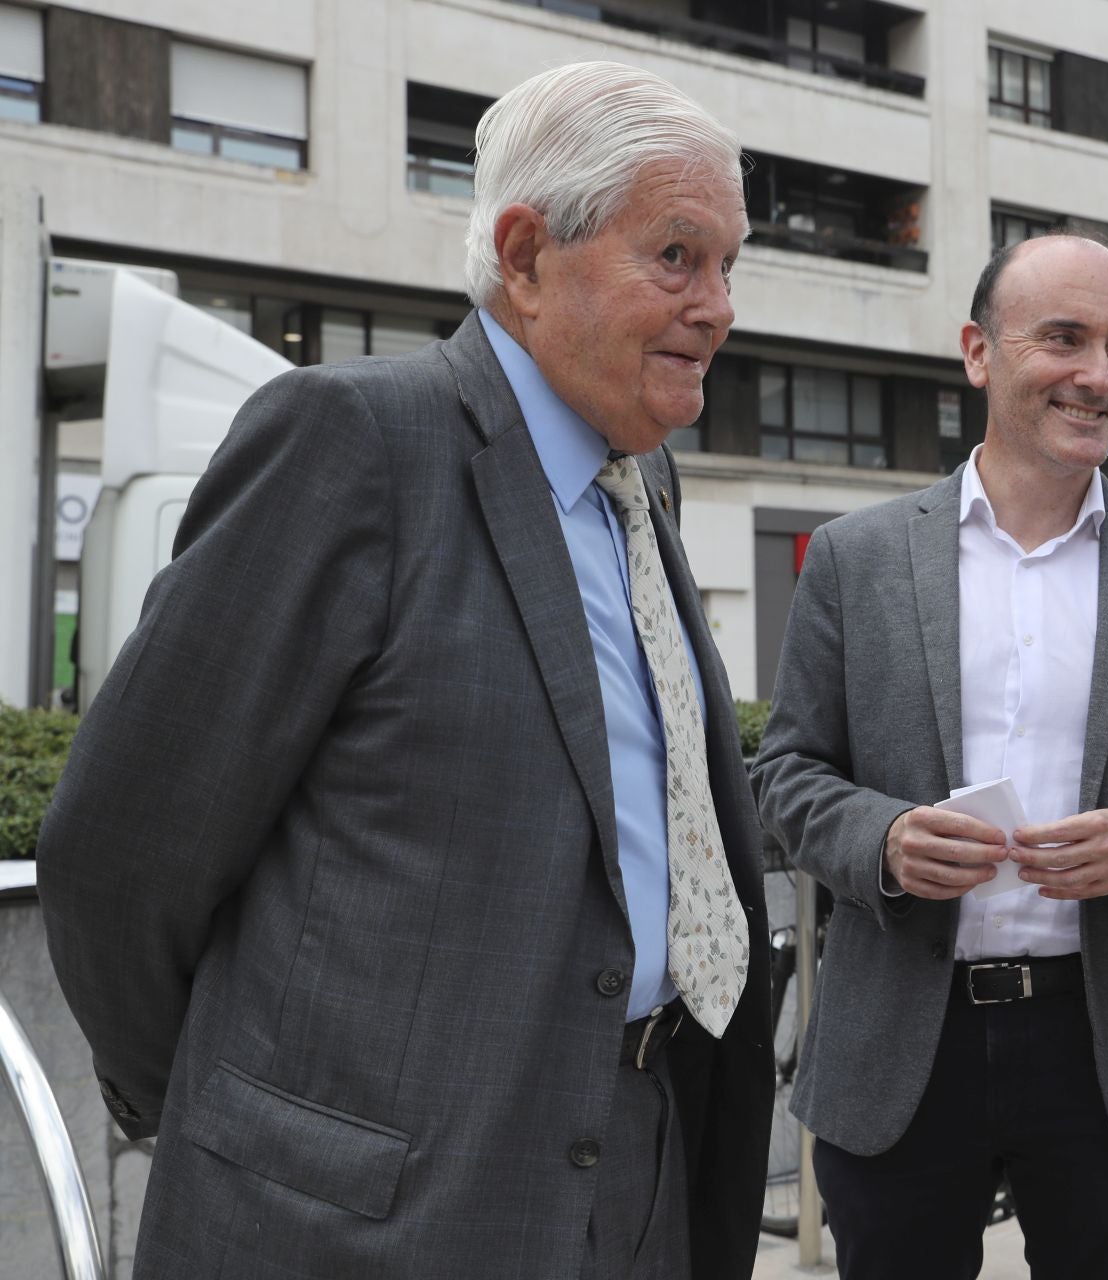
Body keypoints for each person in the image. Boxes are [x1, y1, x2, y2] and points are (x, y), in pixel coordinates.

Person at [36, 61, 771, 1280]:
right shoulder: (353, 444)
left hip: (641, 1181)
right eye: (679, 257)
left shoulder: (648, 488)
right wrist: (246, 1120)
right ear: (528, 257)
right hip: (361, 1224)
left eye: (730, 266)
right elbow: (119, 852)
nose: (719, 305)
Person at [751, 233, 1108, 1280]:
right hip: (904, 1039)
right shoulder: (857, 558)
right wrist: (887, 837)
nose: (1099, 376)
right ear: (978, 353)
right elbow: (785, 776)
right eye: (1065, 339)